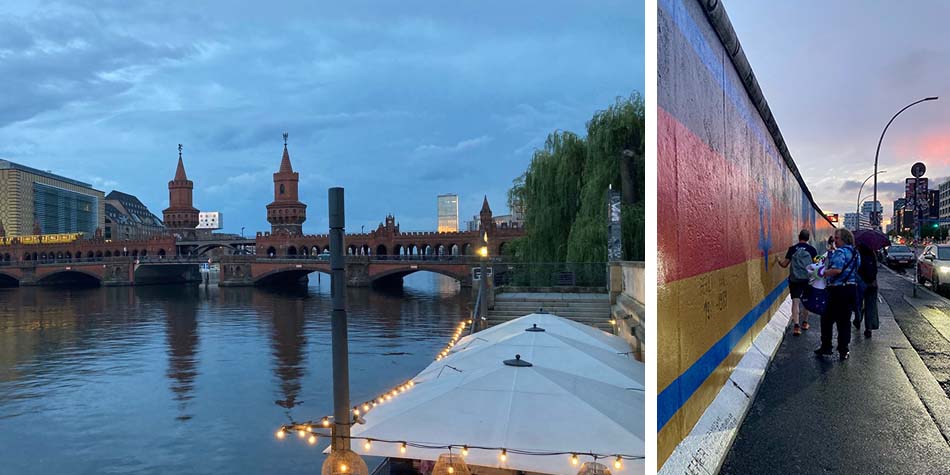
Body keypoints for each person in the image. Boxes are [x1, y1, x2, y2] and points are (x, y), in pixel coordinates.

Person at [816, 228, 860, 360]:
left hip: (837, 290)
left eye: (837, 238)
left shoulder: (840, 252)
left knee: (826, 319)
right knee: (844, 321)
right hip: (851, 289)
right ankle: (843, 350)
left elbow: (837, 270)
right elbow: (857, 268)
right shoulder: (856, 253)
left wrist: (822, 272)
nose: (835, 240)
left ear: (843, 239)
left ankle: (826, 346)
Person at [778, 229, 818, 336]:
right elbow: (817, 266)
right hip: (807, 280)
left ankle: (796, 326)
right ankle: (805, 323)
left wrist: (778, 260)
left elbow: (784, 264)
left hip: (794, 279)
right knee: (806, 302)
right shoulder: (812, 250)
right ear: (808, 238)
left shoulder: (792, 249)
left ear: (799, 237)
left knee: (795, 302)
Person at [854, 243, 879, 338]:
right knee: (871, 306)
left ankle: (858, 320)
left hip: (860, 284)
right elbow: (875, 270)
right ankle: (868, 329)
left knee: (858, 304)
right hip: (872, 284)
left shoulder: (857, 254)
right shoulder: (873, 255)